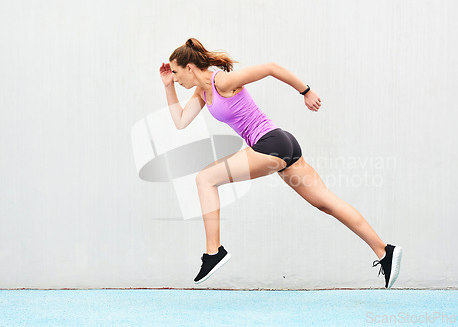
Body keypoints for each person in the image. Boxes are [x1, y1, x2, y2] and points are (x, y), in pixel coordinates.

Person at [159, 38, 402, 288]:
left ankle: (213, 252)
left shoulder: (221, 81)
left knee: (205, 178)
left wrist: (306, 92)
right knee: (327, 203)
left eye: (176, 73)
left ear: (189, 67)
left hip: (270, 144)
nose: (176, 79)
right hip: (283, 145)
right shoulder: (202, 92)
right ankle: (385, 251)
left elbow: (271, 68)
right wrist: (168, 86)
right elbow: (180, 122)